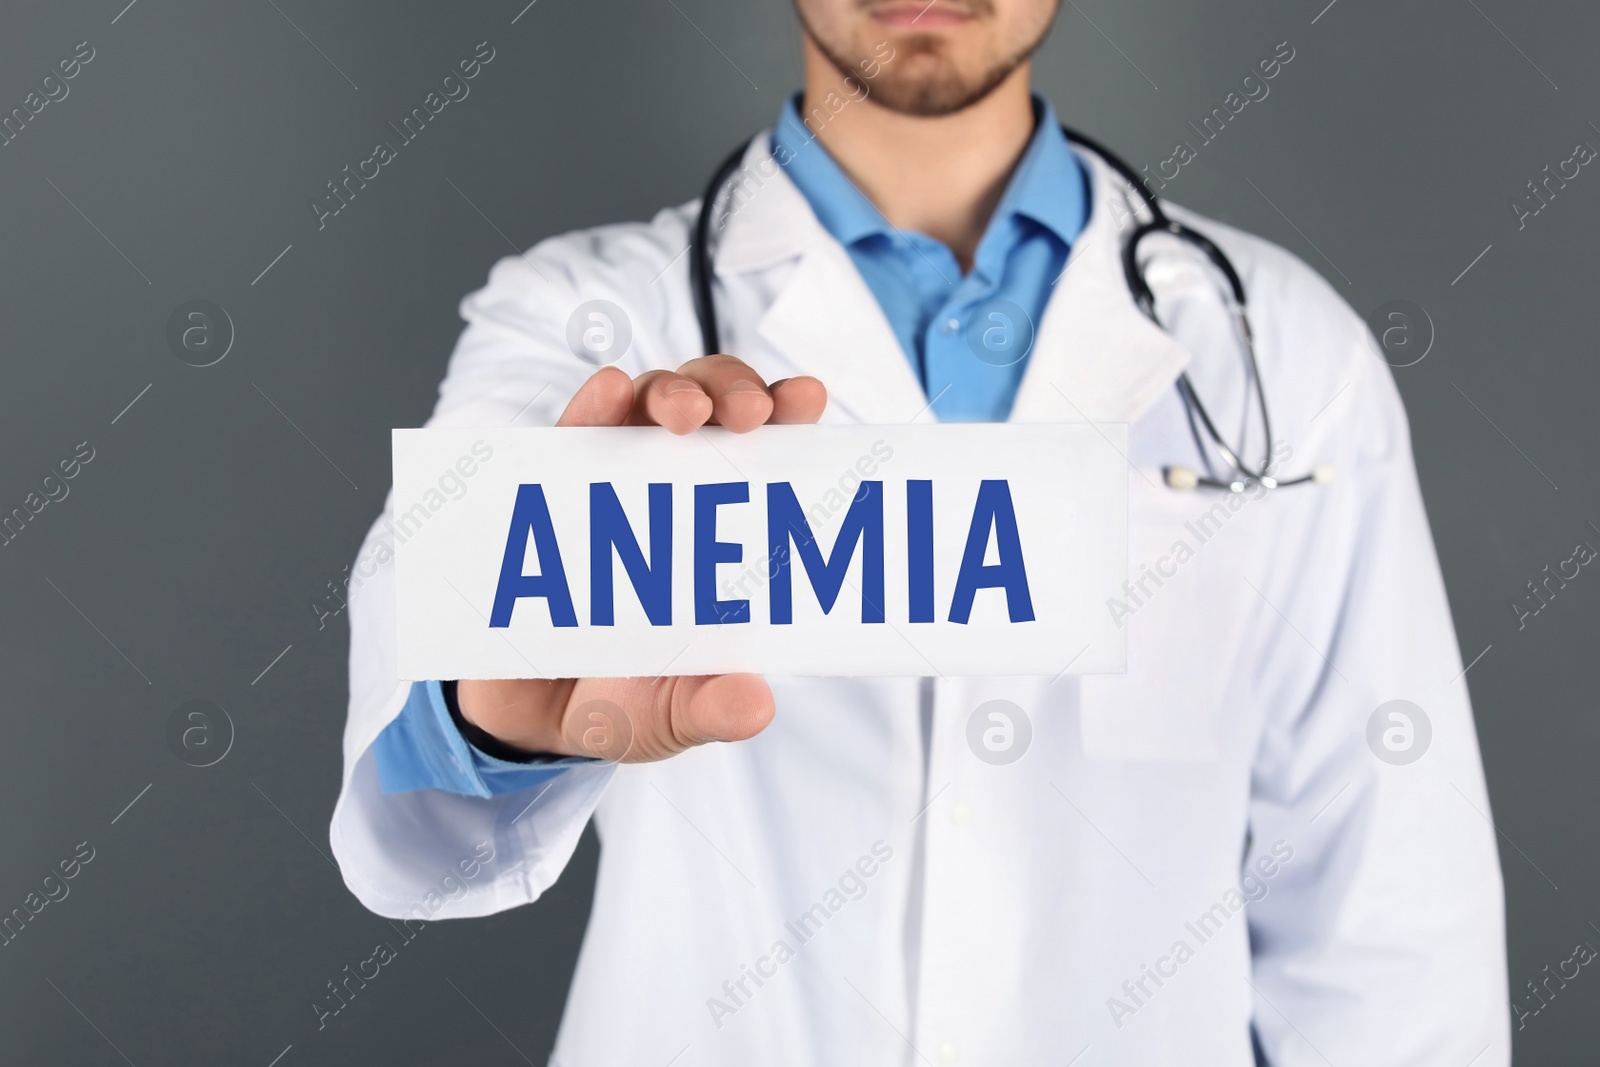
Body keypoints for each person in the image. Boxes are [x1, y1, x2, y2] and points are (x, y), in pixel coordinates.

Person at [330, 0, 1509, 1062]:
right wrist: (494, 723)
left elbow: (1390, 918)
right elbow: (425, 769)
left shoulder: (1284, 354)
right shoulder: (584, 318)